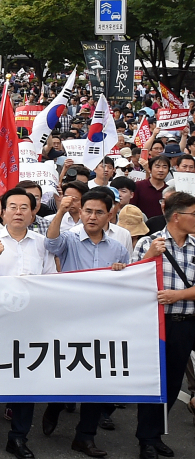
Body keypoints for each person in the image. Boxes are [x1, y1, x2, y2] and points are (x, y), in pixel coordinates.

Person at [40, 188, 129, 457]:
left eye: (99, 212)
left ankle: (85, 436)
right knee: (67, 370)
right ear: (81, 212)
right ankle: (55, 406)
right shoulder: (69, 238)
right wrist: (60, 212)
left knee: (97, 377)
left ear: (110, 214)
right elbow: (50, 244)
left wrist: (120, 272)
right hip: (68, 318)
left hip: (102, 321)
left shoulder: (119, 248)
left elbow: (126, 284)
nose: (92, 217)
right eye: (88, 211)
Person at [0, 188, 57, 458]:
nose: (18, 212)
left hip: (30, 319)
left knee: (26, 375)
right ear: (4, 211)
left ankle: (18, 436)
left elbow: (50, 278)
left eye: (25, 207)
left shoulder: (41, 242)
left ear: (33, 213)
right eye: (13, 207)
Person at [133, 191, 195, 459]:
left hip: (185, 323)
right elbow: (133, 280)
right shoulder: (149, 242)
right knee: (154, 382)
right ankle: (146, 438)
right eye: (193, 214)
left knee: (172, 383)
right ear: (177, 217)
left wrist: (178, 296)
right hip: (155, 324)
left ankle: (156, 434)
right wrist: (149, 255)